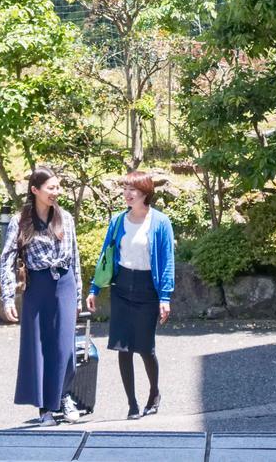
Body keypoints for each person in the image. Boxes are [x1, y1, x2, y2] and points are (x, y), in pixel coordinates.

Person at [86, 172, 175, 420]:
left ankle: (154, 393)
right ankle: (132, 403)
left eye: (132, 189)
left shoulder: (160, 222)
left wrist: (165, 297)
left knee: (146, 348)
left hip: (148, 287)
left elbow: (167, 262)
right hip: (122, 286)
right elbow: (106, 256)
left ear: (145, 193)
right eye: (124, 188)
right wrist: (94, 288)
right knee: (123, 347)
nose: (127, 193)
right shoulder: (117, 221)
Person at [0, 167, 82, 426]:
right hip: (37, 284)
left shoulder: (65, 217)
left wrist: (78, 293)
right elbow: (7, 258)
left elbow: (76, 256)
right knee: (38, 346)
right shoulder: (20, 220)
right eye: (50, 188)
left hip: (65, 282)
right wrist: (7, 296)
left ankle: (64, 397)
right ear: (35, 190)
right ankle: (45, 409)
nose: (55, 193)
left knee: (65, 346)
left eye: (58, 187)